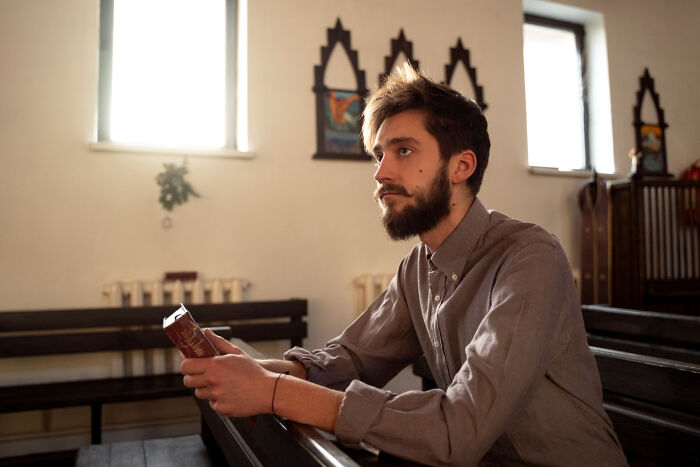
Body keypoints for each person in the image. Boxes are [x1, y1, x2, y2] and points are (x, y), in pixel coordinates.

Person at [181, 64, 627, 466]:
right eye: (379, 155)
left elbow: (459, 429)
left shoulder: (529, 258)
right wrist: (272, 370)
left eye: (404, 151)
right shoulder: (417, 267)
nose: (380, 173)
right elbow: (354, 355)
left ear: (461, 166)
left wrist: (275, 394)